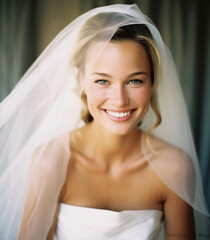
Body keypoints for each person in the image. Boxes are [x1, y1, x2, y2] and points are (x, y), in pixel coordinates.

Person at [0, 4, 209, 240]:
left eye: (135, 81)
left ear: (152, 82)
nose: (119, 100)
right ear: (81, 80)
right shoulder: (51, 161)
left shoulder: (174, 168)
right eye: (102, 81)